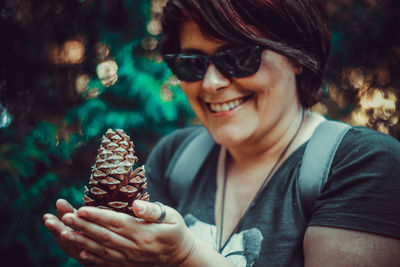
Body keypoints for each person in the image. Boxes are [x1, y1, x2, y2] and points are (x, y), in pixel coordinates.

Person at [43, 0, 400, 266]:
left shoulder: (365, 164)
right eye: (192, 64)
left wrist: (186, 257)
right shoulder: (175, 156)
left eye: (240, 57)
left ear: (297, 55)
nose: (211, 83)